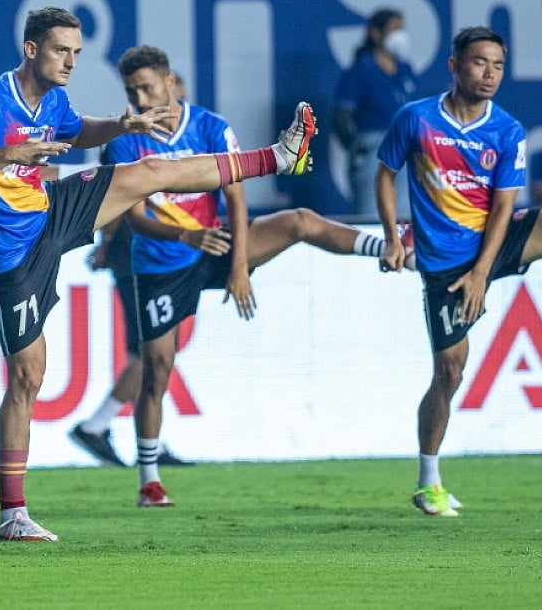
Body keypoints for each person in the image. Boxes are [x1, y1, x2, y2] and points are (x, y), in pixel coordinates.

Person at [0, 6, 316, 541]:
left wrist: (122, 125)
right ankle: (12, 515)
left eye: (77, 53)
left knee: (151, 171)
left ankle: (276, 155)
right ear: (32, 49)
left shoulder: (54, 99)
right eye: (62, 50)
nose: (71, 62)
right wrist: (9, 153)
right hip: (9, 255)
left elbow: (77, 130)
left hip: (49, 210)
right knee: (28, 377)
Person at [104, 46, 396, 507]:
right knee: (157, 370)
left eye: (147, 86)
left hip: (217, 245)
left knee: (297, 220)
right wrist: (187, 237)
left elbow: (237, 201)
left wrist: (239, 267)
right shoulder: (123, 142)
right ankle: (149, 480)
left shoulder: (211, 128)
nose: (141, 97)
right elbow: (135, 217)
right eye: (132, 90)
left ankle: (389, 248)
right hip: (163, 262)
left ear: (171, 83)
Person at [376, 27, 542, 517]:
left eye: (498, 66)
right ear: (454, 66)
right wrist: (394, 238)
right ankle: (428, 481)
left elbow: (503, 209)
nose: (490, 74)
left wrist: (483, 272)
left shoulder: (507, 131)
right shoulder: (415, 120)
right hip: (443, 266)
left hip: (493, 244)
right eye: (480, 63)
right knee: (449, 372)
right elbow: (384, 174)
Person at [69, 146, 191, 469]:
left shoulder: (141, 142)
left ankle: (149, 439)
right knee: (151, 353)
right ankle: (96, 426)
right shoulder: (129, 145)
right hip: (136, 257)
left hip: (146, 257)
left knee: (154, 352)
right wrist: (105, 244)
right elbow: (116, 196)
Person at [334, 8, 417, 218]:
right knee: (372, 215)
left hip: (404, 149)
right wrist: (358, 148)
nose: (401, 35)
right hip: (372, 150)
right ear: (376, 33)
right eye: (394, 29)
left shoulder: (405, 69)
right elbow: (342, 115)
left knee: (404, 216)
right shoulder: (361, 69)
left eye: (402, 29)